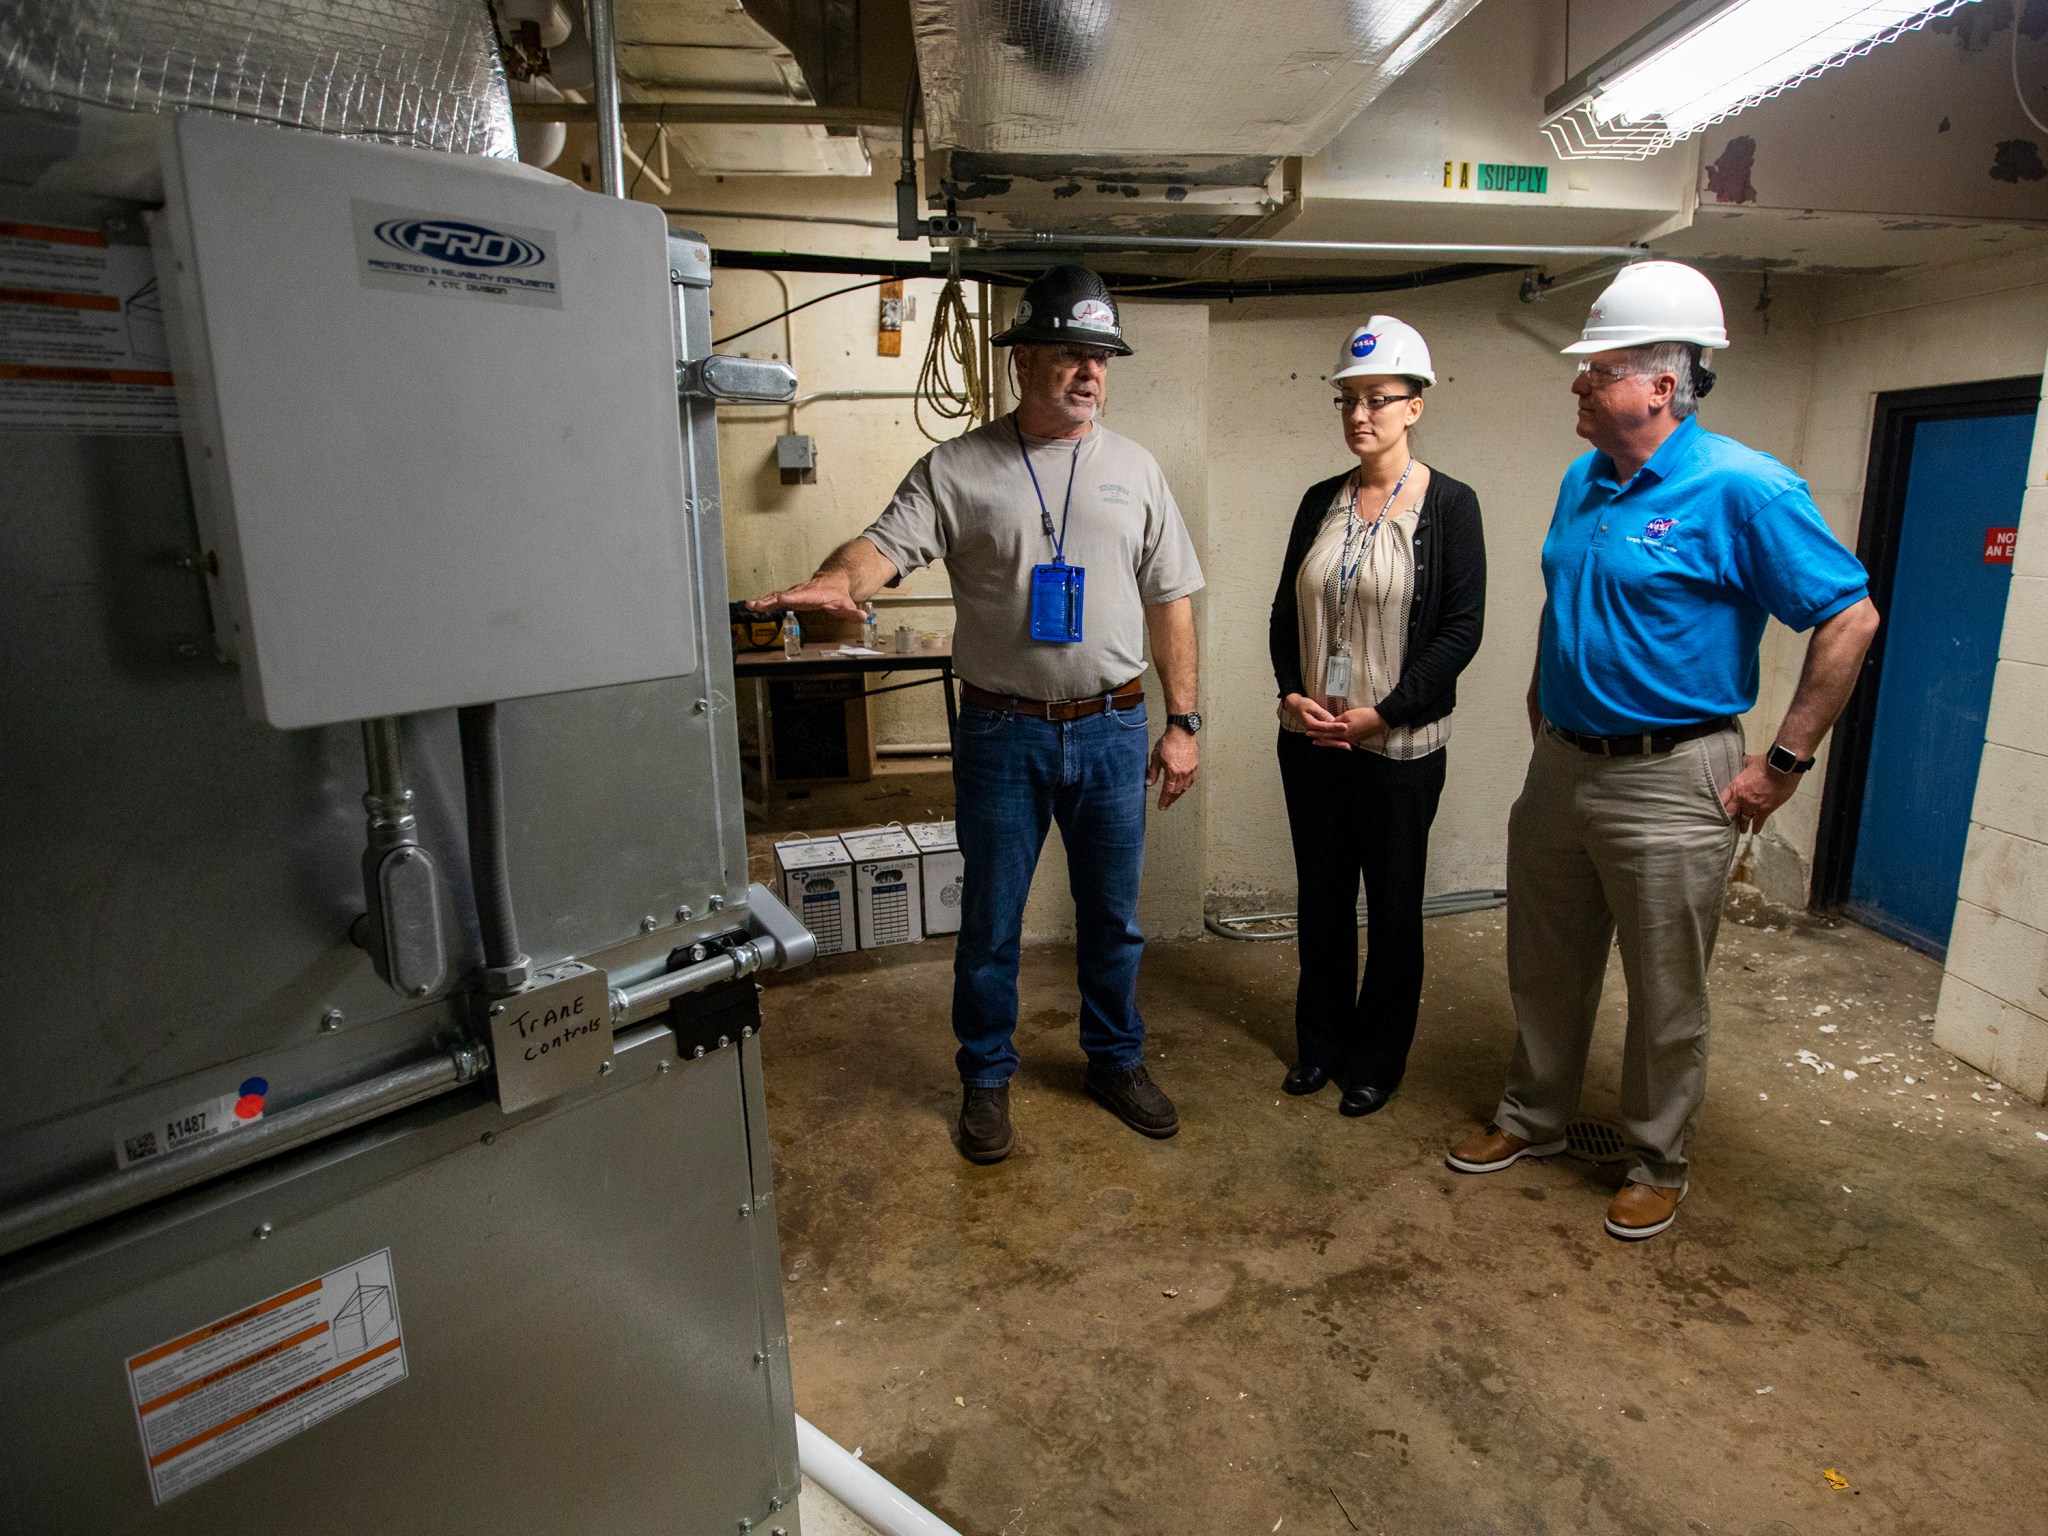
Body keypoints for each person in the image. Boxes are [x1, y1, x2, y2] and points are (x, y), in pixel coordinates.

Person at [1445, 261, 1880, 1240]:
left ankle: (1655, 1157)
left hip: (1674, 773)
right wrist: (1542, 708)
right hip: (1561, 763)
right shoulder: (1581, 479)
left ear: (1658, 383)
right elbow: (1569, 601)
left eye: (1592, 369)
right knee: (1543, 959)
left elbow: (1848, 617)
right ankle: (1532, 1117)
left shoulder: (1743, 489)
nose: (1575, 386)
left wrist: (1782, 761)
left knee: (1664, 984)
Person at [747, 265, 1204, 1165]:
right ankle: (986, 1077)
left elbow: (1172, 602)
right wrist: (839, 582)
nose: (1090, 374)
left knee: (1113, 917)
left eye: (1102, 358)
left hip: (1113, 728)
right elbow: (884, 544)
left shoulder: (1136, 469)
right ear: (1023, 358)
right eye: (1071, 354)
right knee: (992, 918)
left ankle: (1115, 1060)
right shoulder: (958, 468)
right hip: (1003, 730)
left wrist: (1185, 722)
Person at [1267, 317, 1485, 1118]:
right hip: (1312, 743)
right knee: (1321, 898)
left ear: (1414, 407)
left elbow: (1462, 629)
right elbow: (1281, 612)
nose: (1360, 415)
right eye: (1348, 400)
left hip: (1398, 748)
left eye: (1378, 399)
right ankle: (1319, 1045)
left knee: (1392, 906)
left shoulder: (1451, 507)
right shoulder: (1318, 503)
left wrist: (1383, 714)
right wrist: (1291, 690)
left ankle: (1375, 1060)